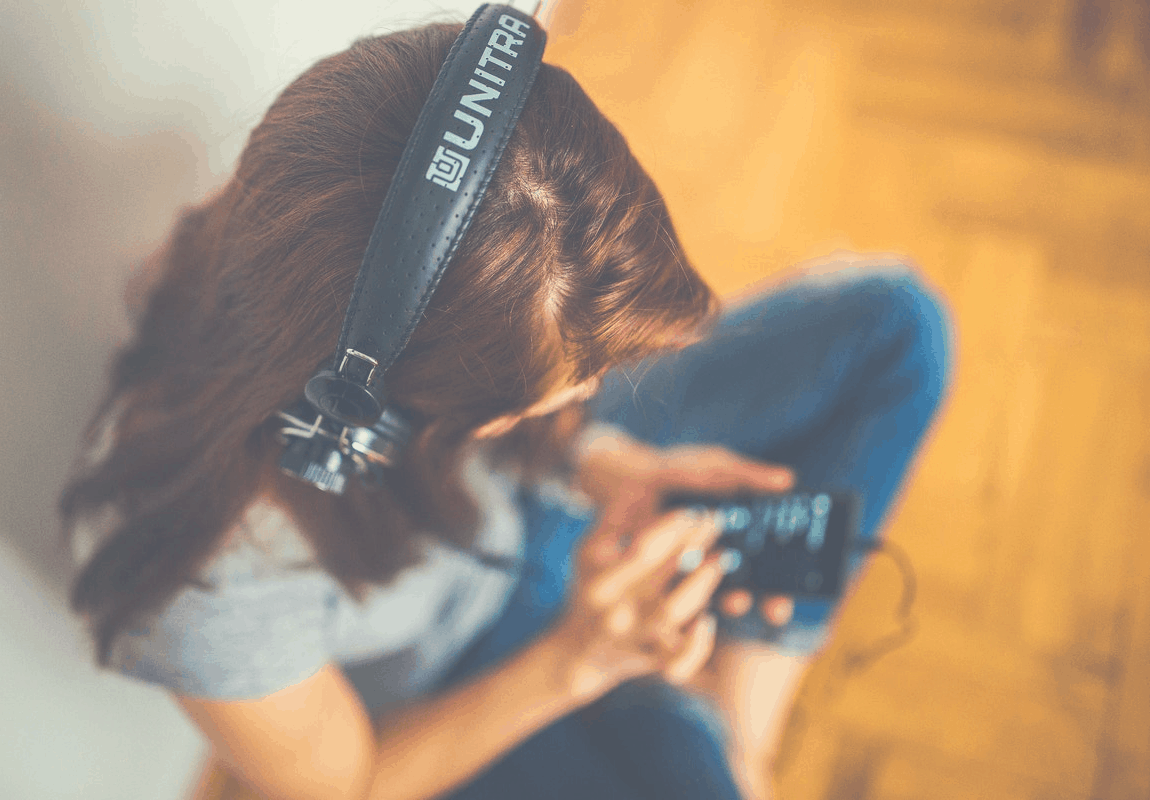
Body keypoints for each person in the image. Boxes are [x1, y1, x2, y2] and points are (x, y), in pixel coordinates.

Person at [60, 16, 954, 800]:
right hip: (474, 674)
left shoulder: (331, 206)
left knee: (896, 328)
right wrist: (581, 658)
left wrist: (596, 460)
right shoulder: (200, 580)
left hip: (527, 498)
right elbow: (356, 783)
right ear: (373, 409)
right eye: (563, 382)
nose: (590, 393)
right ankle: (701, 727)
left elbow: (542, 402)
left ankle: (742, 720)